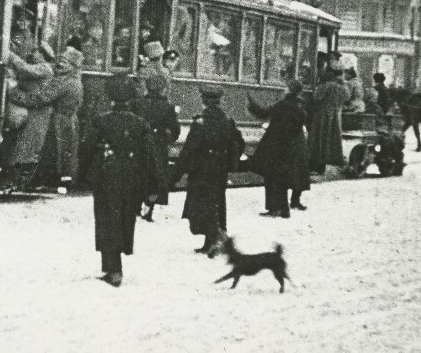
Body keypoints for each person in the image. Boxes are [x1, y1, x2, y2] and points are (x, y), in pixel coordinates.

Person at [82, 74, 167, 287]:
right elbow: (150, 158)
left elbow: (86, 150)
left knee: (105, 219)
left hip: (105, 176)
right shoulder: (140, 123)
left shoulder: (100, 121)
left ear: (110, 98)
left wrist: (85, 175)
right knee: (124, 219)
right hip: (132, 179)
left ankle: (112, 268)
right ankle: (114, 266)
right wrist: (153, 189)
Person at [171, 86, 245, 254]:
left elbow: (188, 151)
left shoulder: (200, 123)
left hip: (201, 171)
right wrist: (229, 161)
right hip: (219, 171)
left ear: (204, 102)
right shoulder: (227, 121)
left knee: (200, 206)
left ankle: (214, 237)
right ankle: (211, 240)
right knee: (215, 203)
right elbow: (239, 143)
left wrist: (175, 175)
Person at [8, 46, 84, 189]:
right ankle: (64, 182)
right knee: (67, 153)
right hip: (70, 121)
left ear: (73, 66)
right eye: (60, 60)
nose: (61, 64)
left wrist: (15, 95)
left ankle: (36, 182)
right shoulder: (76, 80)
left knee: (48, 152)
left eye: (65, 62)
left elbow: (40, 99)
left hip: (57, 122)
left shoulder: (63, 82)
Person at [248, 80, 309, 218]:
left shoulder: (281, 105)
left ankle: (275, 208)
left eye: (286, 88)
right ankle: (284, 209)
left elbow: (262, 113)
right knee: (282, 177)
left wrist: (251, 101)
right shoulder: (299, 109)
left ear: (289, 90)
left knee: (271, 178)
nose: (284, 90)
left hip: (274, 146)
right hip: (288, 147)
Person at [3, 42, 56, 190]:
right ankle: (19, 182)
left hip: (38, 113)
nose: (33, 54)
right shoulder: (41, 68)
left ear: (42, 55)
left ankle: (22, 183)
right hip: (34, 112)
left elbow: (24, 69)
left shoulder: (44, 69)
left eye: (37, 52)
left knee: (29, 149)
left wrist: (9, 54)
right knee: (23, 148)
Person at [130, 73, 181, 222]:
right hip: (158, 146)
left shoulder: (137, 103)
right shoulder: (167, 107)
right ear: (163, 89)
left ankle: (135, 207)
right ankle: (150, 208)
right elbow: (175, 130)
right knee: (155, 179)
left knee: (139, 175)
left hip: (140, 145)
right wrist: (168, 139)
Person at [308, 69, 348, 174]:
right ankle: (329, 162)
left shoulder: (326, 86)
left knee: (320, 138)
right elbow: (347, 98)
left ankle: (317, 165)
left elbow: (316, 98)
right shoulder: (343, 88)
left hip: (323, 115)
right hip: (336, 116)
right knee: (332, 139)